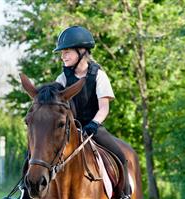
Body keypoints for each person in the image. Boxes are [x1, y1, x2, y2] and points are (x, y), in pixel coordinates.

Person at [54, 26, 131, 199]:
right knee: (36, 153)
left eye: (66, 51)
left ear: (81, 51)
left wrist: (94, 124)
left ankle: (123, 194)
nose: (62, 56)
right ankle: (27, 191)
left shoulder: (98, 75)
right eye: (62, 52)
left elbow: (104, 108)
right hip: (70, 129)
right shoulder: (62, 78)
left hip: (93, 127)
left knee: (120, 155)